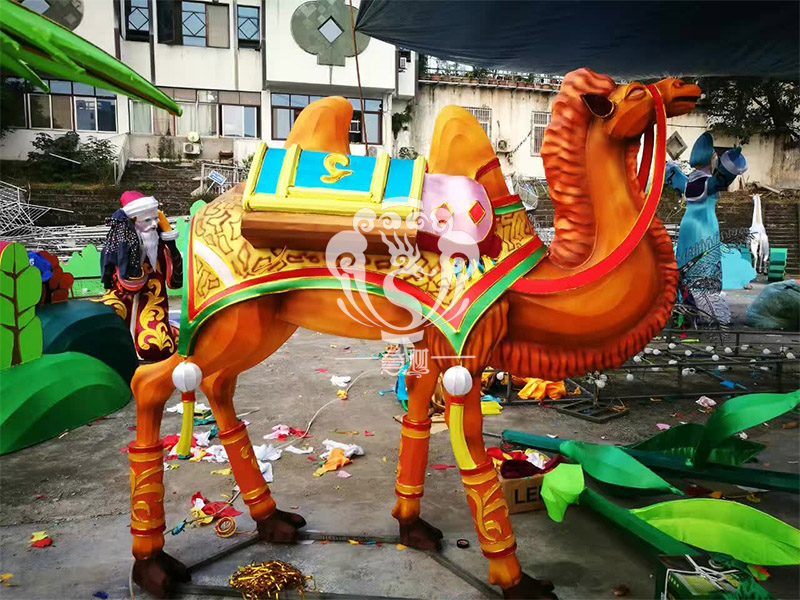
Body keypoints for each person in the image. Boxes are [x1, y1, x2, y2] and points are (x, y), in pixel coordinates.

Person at [665, 132, 747, 324]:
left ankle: (683, 309)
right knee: (703, 267)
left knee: (686, 267)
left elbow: (673, 177)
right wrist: (732, 160)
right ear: (711, 158)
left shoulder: (688, 181)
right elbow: (723, 179)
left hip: (688, 226)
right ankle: (706, 311)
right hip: (704, 228)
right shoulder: (708, 182)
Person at [96, 191, 182, 361]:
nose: (154, 225)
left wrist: (170, 242)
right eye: (147, 220)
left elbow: (175, 281)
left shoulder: (159, 245)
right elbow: (127, 283)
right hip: (121, 297)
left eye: (156, 219)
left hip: (153, 300)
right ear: (132, 222)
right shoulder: (119, 245)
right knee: (102, 327)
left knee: (155, 345)